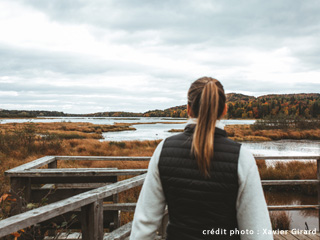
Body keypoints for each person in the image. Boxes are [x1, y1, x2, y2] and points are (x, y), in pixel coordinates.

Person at [130, 77, 273, 240]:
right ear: (224, 109)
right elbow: (257, 233)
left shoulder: (164, 149)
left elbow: (143, 228)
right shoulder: (242, 158)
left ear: (188, 109)